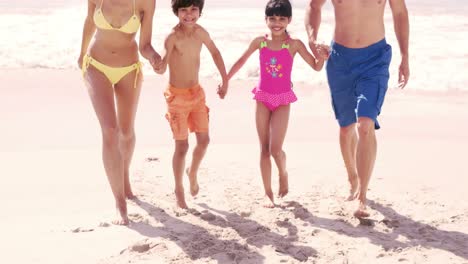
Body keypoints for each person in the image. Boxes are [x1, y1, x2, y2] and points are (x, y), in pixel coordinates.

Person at [305, 0, 410, 217]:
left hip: (375, 59)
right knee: (346, 127)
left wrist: (405, 55)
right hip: (340, 59)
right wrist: (313, 40)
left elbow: (400, 13)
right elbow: (314, 6)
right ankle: (353, 178)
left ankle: (362, 196)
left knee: (365, 124)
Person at [226, 0, 329, 208]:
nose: (277, 23)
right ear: (266, 20)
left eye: (282, 19)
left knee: (276, 150)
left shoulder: (294, 44)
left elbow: (316, 67)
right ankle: (267, 194)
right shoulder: (259, 42)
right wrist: (226, 79)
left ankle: (283, 172)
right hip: (263, 98)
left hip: (282, 100)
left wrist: (323, 55)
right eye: (272, 18)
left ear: (289, 20)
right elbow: (241, 60)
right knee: (263, 148)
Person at [78, 0, 161, 225]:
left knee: (126, 132)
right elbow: (89, 22)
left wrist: (154, 56)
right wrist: (81, 53)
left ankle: (124, 179)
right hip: (96, 65)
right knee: (110, 131)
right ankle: (120, 203)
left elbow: (145, 44)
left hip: (129, 70)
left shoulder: (146, 3)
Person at [154, 0, 228, 209]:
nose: (189, 14)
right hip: (176, 98)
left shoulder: (200, 33)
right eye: (184, 10)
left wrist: (225, 79)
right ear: (176, 12)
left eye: (193, 9)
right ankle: (179, 189)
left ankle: (192, 171)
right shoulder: (172, 37)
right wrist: (158, 66)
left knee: (204, 141)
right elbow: (163, 64)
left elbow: (214, 52)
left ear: (200, 11)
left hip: (197, 94)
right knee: (182, 146)